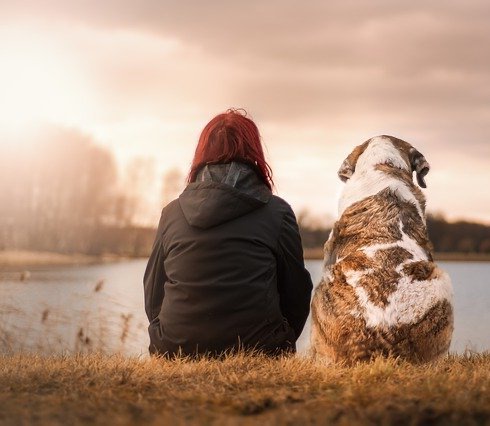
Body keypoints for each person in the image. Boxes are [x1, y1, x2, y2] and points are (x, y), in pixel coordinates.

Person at [143, 109, 313, 357]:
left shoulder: (172, 213)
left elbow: (153, 292)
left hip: (175, 349)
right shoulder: (278, 213)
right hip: (260, 349)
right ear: (254, 153)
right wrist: (280, 340)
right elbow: (296, 293)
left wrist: (167, 336)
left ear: (202, 153)